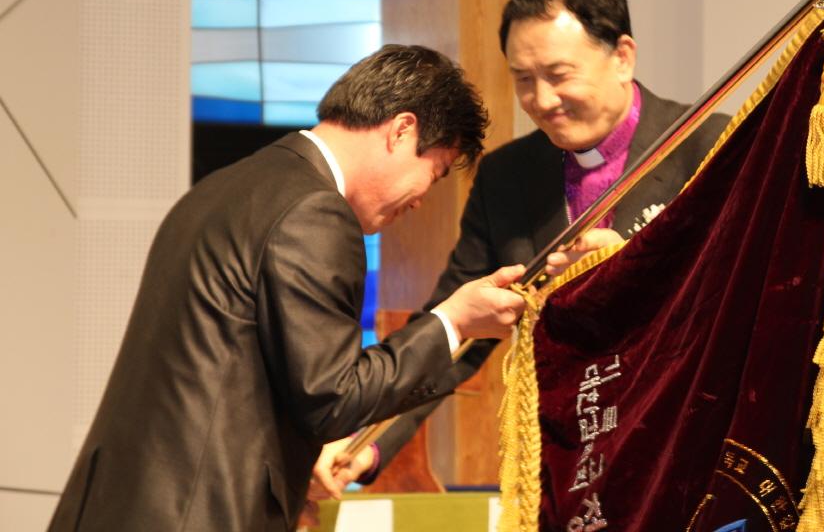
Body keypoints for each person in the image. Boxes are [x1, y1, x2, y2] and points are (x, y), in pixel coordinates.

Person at [49, 45, 530, 531]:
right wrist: (453, 322)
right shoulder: (314, 211)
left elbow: (236, 375)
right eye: (436, 173)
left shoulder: (223, 188)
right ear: (402, 130)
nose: (421, 200)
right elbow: (334, 398)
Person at [311, 0, 729, 492]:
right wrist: (364, 443)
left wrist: (633, 266)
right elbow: (458, 333)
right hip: (571, 459)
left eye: (559, 74)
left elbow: (743, 294)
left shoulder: (709, 144)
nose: (542, 100)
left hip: (687, 445)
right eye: (523, 79)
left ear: (623, 57)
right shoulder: (507, 177)